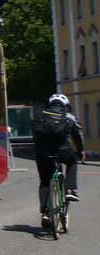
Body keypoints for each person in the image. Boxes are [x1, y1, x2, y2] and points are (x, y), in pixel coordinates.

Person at [33, 92, 85, 229]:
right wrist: (80, 151)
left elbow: (35, 134)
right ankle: (70, 191)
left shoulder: (40, 115)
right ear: (65, 105)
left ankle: (45, 213)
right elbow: (78, 135)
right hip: (63, 152)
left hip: (43, 153)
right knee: (72, 161)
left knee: (45, 181)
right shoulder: (69, 117)